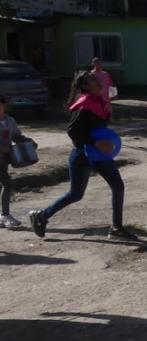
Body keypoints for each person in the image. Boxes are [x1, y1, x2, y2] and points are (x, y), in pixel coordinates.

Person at [29, 71, 134, 240]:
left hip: (100, 154)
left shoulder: (97, 101)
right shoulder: (84, 103)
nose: (98, 81)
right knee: (76, 194)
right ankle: (41, 216)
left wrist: (108, 109)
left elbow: (100, 126)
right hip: (83, 155)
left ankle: (117, 228)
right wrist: (95, 143)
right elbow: (73, 132)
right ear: (85, 86)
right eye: (93, 80)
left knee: (118, 185)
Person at [0, 95, 33, 228]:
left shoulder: (9, 121)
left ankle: (4, 215)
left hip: (3, 160)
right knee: (7, 184)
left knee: (6, 184)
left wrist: (27, 141)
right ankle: (5, 215)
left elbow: (16, 136)